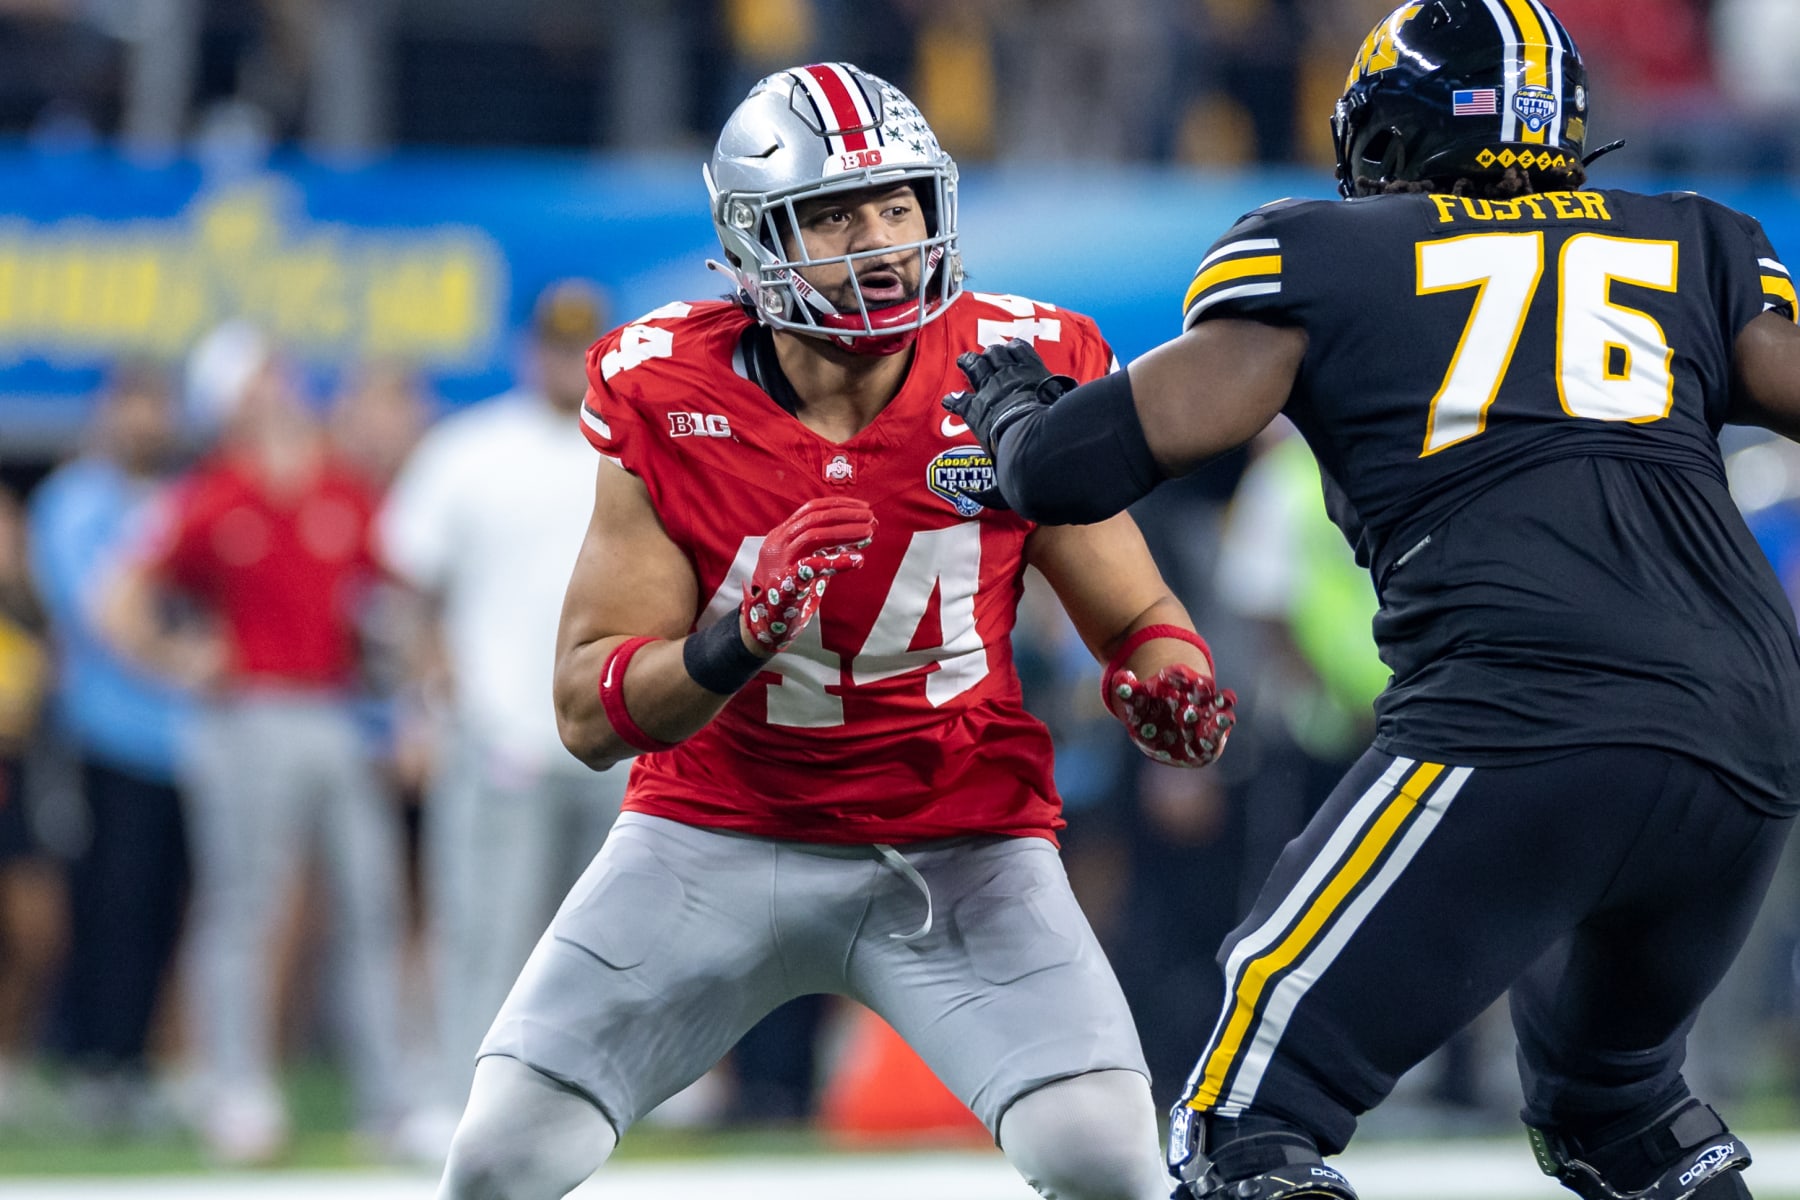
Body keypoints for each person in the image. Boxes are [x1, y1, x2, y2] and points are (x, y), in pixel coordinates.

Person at [943, 3, 1800, 1197]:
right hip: (1750, 733)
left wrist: (1012, 407)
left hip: (1525, 706)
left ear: (1391, 138)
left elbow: (1069, 474)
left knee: (1246, 1113)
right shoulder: (1698, 239)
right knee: (1621, 1109)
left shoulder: (1325, 255)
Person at [434, 62, 1238, 1200]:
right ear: (755, 238)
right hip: (715, 835)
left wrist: (1171, 680)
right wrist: (732, 642)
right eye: (834, 214)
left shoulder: (1018, 366)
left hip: (963, 844)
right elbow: (584, 710)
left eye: (897, 205)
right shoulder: (670, 388)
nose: (877, 241)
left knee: (1107, 1160)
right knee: (498, 1159)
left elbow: (1140, 617)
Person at [99, 322, 410, 1164]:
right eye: (263, 378)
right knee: (244, 907)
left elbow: (396, 604)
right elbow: (117, 597)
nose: (282, 389)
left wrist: (409, 696)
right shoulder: (214, 494)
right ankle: (234, 1088)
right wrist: (177, 659)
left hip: (337, 716)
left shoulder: (342, 490)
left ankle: (390, 1099)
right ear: (234, 398)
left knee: (369, 905)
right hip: (247, 718)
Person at [377, 280, 627, 1152]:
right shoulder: (467, 451)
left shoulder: (633, 448)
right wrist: (427, 698)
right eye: (556, 347)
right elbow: (407, 590)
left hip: (613, 734)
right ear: (530, 353)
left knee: (610, 938)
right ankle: (451, 1092)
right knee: (479, 926)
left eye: (583, 346)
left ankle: (589, 1102)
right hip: (498, 732)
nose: (569, 363)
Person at [27, 363, 193, 1131]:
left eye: (159, 404)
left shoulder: (181, 497)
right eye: (136, 403)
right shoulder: (75, 501)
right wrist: (188, 659)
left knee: (166, 908)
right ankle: (90, 1059)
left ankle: (135, 1062)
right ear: (109, 411)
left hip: (184, 743)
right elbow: (99, 616)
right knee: (104, 905)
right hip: (103, 737)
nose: (148, 420)